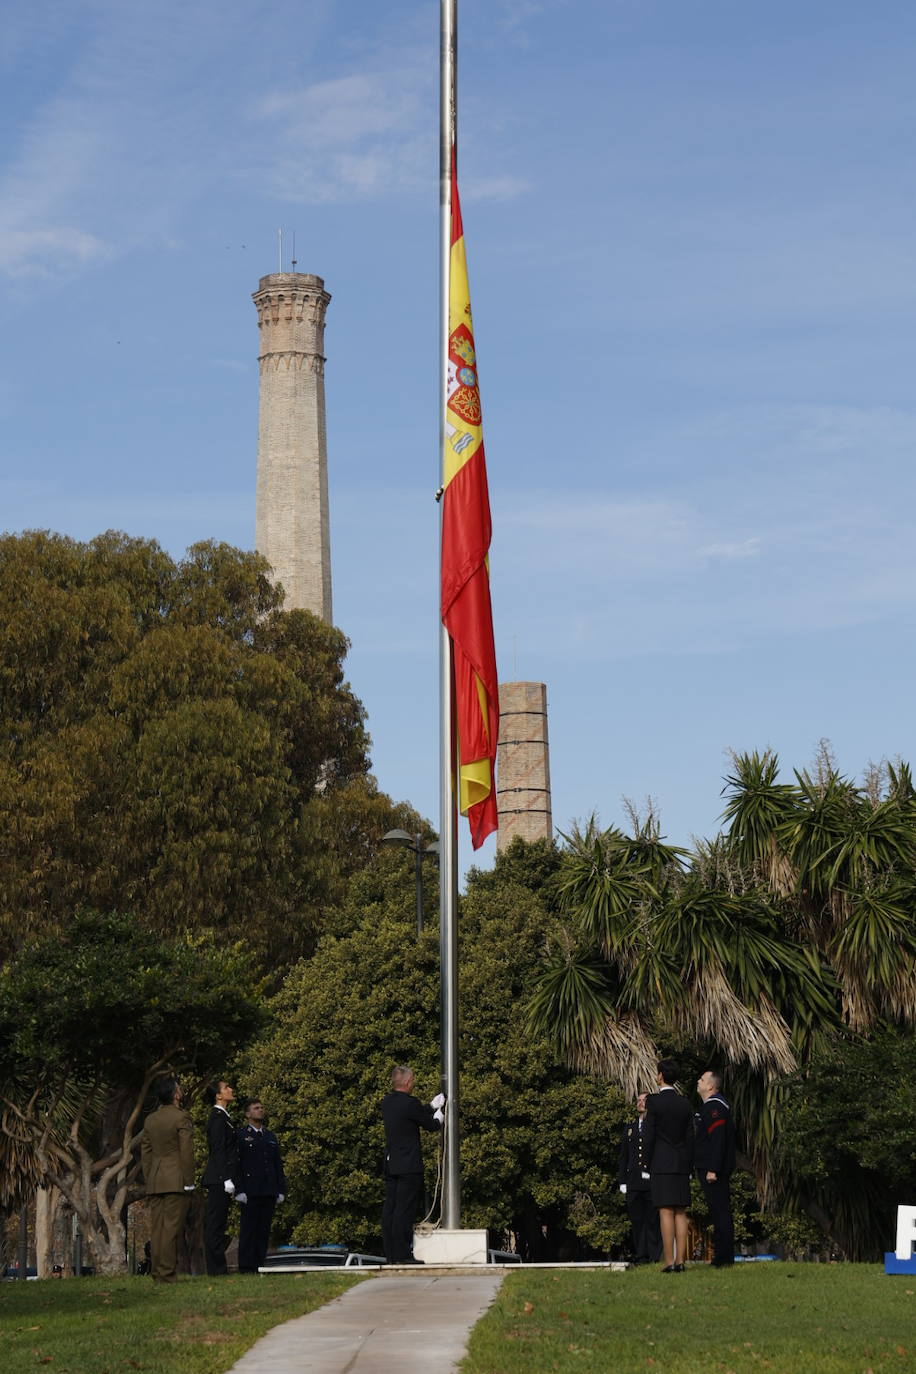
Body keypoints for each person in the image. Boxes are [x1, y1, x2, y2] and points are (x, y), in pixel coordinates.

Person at [380, 1065, 444, 1264]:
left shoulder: (387, 1102)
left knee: (390, 1209)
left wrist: (430, 1107)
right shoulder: (410, 1103)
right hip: (409, 1166)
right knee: (404, 1211)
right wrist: (439, 1116)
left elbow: (412, 1114)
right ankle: (402, 1255)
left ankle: (391, 1254)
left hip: (392, 1163)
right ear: (407, 1082)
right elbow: (430, 1125)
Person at [140, 1077, 195, 1283]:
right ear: (176, 1095)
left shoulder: (150, 1120)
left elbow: (146, 1153)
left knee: (157, 1229)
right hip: (176, 1179)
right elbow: (186, 1152)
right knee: (171, 1229)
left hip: (155, 1179)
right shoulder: (181, 1117)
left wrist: (150, 1177)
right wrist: (189, 1180)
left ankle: (157, 1273)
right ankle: (167, 1274)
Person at [643, 1058, 694, 1273]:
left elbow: (649, 1134)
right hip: (681, 1162)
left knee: (665, 1211)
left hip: (661, 1162)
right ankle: (681, 1261)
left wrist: (646, 1161)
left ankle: (669, 1261)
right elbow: (690, 1136)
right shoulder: (685, 1103)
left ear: (661, 1075)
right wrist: (689, 1163)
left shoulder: (654, 1102)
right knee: (680, 1211)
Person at [235, 1098, 287, 1273]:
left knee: (263, 1231)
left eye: (262, 1107)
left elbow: (276, 1165)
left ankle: (259, 1266)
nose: (260, 1110)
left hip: (268, 1190)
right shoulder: (241, 1135)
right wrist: (239, 1189)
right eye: (256, 1108)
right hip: (250, 1191)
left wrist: (280, 1189)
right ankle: (246, 1267)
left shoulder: (270, 1136)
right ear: (248, 1114)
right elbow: (238, 1165)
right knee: (249, 1231)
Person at [695, 1069, 736, 1267]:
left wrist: (713, 1169)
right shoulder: (710, 1106)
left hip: (714, 1170)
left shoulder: (715, 1107)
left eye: (702, 1079)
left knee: (721, 1212)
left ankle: (724, 1258)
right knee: (718, 1211)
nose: (698, 1081)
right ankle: (722, 1256)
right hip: (710, 1167)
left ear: (711, 1085)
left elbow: (718, 1140)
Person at [617, 1092, 662, 1264]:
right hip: (633, 1181)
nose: (641, 1103)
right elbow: (624, 1156)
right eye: (639, 1100)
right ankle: (641, 1255)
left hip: (651, 1181)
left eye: (645, 1100)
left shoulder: (655, 1127)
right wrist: (622, 1180)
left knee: (653, 1220)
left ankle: (653, 1255)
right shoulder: (630, 1128)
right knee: (637, 1220)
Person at [202, 1079, 239, 1276]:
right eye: (226, 1088)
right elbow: (218, 1150)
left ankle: (218, 1268)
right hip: (218, 1178)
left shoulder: (224, 1117)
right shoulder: (217, 1117)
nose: (230, 1089)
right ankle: (216, 1270)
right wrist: (226, 1178)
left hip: (223, 1177)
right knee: (215, 1226)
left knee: (219, 1224)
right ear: (218, 1095)